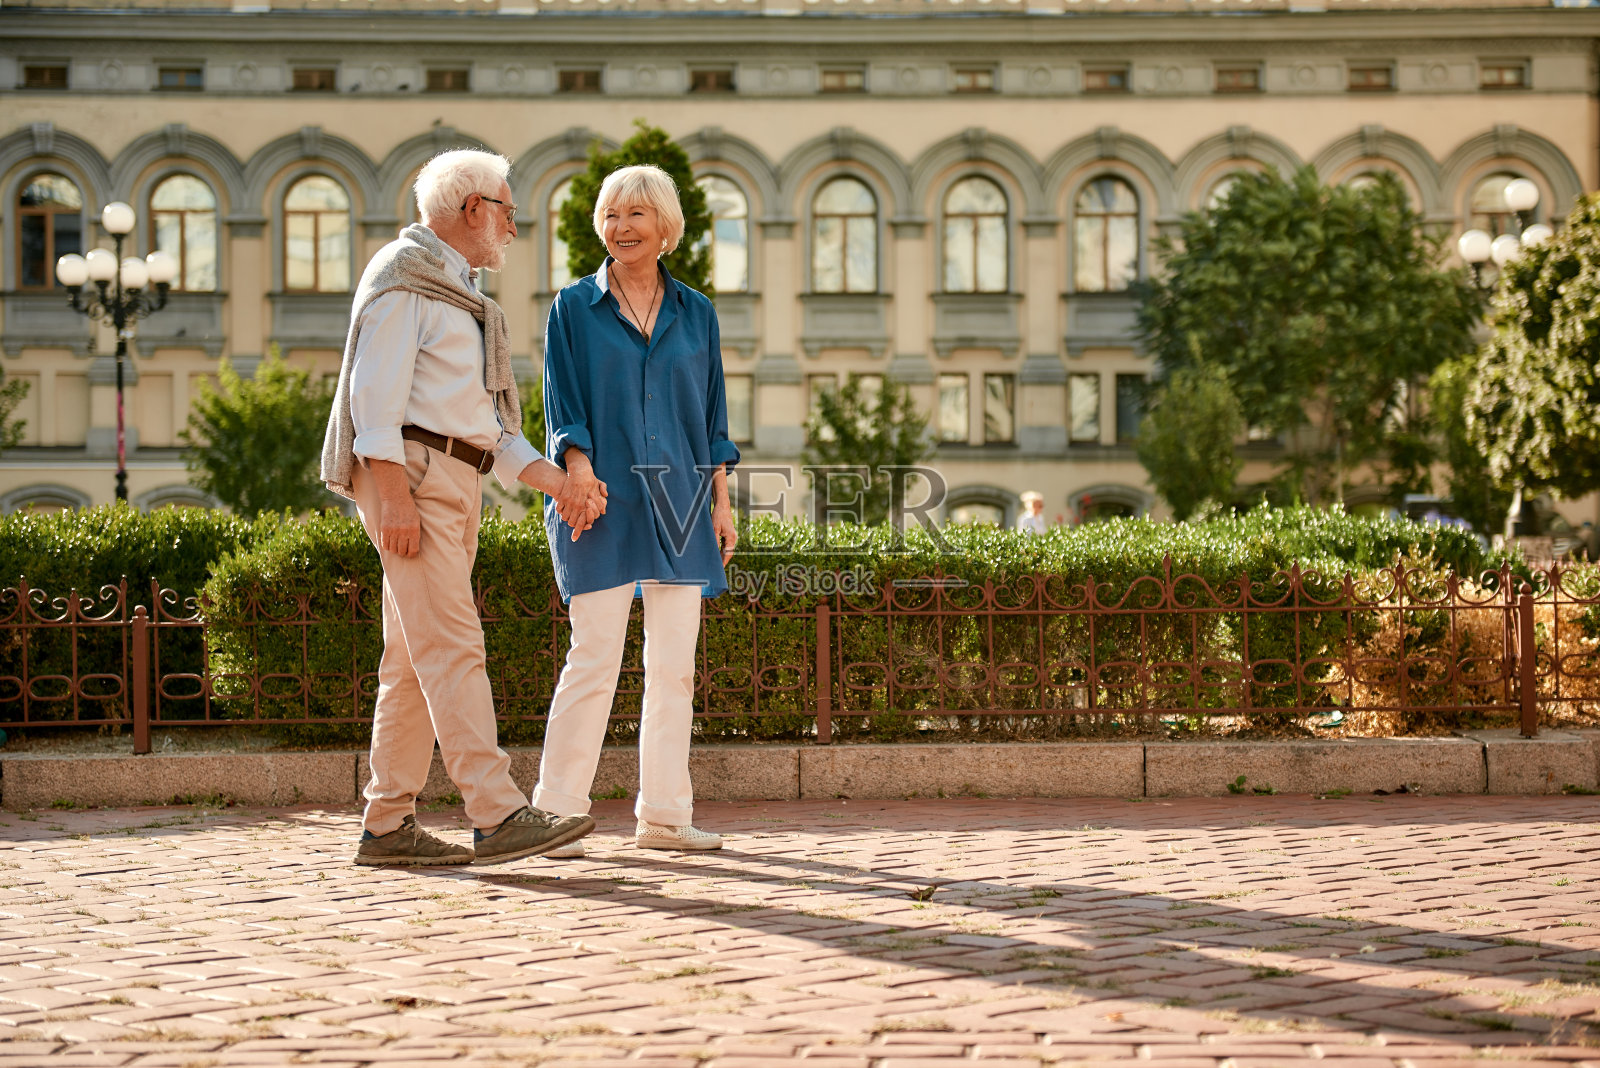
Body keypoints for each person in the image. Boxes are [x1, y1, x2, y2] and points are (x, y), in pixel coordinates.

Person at [321, 149, 601, 867]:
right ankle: (498, 811)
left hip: (453, 477)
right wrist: (390, 497)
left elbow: (495, 436)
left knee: (414, 660)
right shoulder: (403, 278)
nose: (513, 224)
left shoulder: (459, 294)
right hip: (410, 476)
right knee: (452, 644)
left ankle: (387, 826)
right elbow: (372, 401)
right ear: (472, 208)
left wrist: (562, 484)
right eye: (507, 209)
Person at [533, 163, 740, 857]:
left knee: (674, 667)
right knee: (593, 657)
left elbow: (711, 418)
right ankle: (556, 813)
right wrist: (579, 474)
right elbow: (563, 409)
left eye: (636, 215)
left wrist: (721, 503)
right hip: (598, 501)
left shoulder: (697, 314)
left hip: (682, 500)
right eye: (611, 214)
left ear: (665, 228)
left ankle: (664, 817)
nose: (621, 227)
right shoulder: (572, 309)